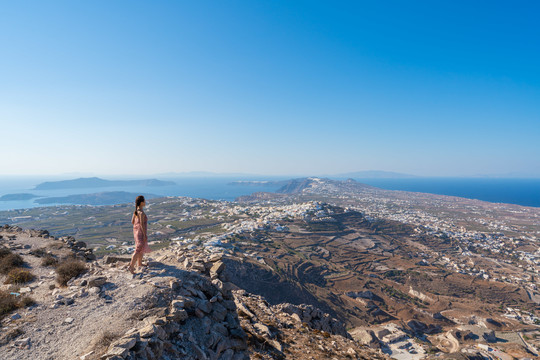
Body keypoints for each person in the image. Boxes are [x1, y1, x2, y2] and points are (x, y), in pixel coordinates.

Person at [128, 195, 151, 273]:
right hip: (140, 233)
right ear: (141, 202)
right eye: (144, 201)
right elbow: (141, 224)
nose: (145, 202)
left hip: (136, 232)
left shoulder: (136, 211)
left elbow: (132, 222)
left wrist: (136, 227)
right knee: (138, 250)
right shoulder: (141, 212)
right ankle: (131, 267)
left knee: (140, 248)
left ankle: (139, 263)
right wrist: (145, 235)